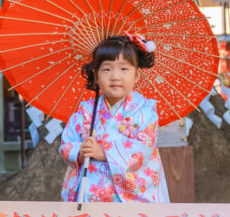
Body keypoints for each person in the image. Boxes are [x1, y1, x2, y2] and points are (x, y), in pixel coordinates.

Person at [59, 34, 170, 203]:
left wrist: (103, 152)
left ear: (137, 75)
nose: (115, 76)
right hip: (89, 195)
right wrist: (80, 151)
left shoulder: (145, 111)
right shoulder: (85, 111)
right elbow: (67, 143)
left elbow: (143, 149)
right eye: (106, 69)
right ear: (96, 76)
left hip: (131, 199)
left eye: (124, 69)